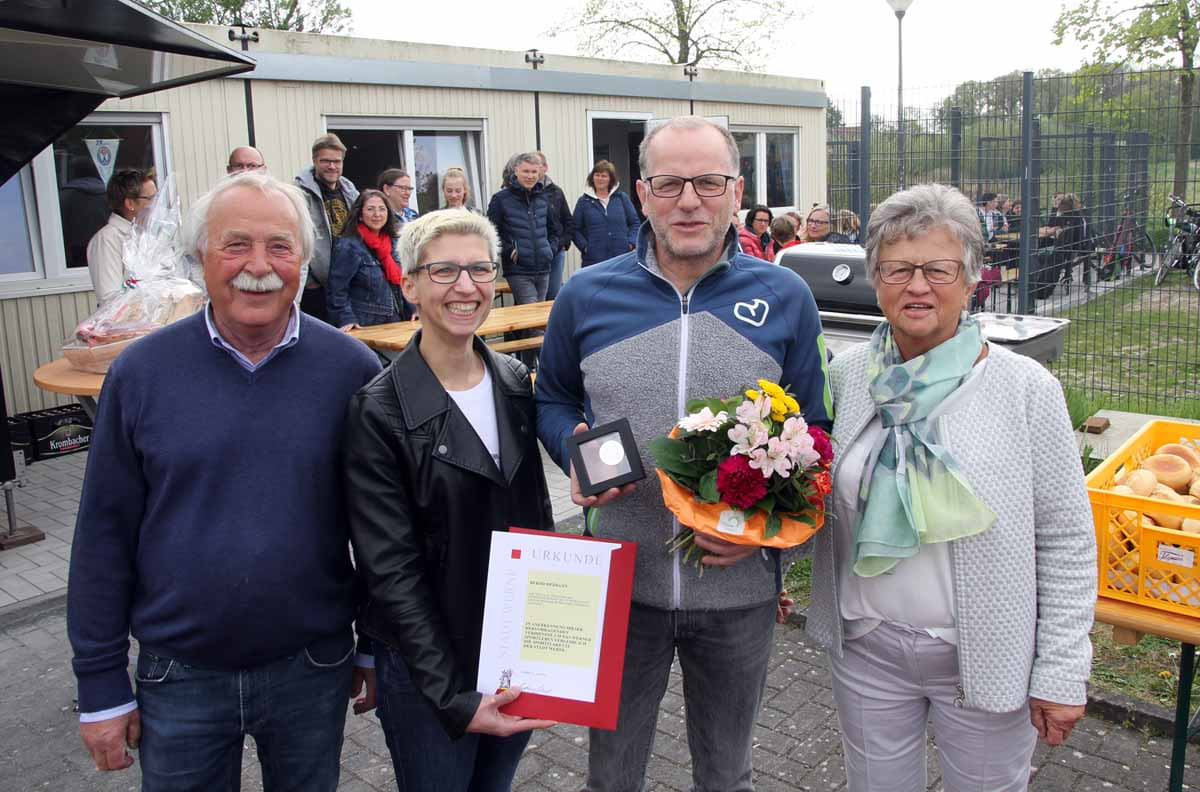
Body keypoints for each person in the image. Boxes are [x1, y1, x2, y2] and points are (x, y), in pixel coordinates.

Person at [536, 116, 832, 792]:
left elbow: (816, 432)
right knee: (611, 777)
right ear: (642, 193)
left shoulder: (785, 296)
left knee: (726, 775)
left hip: (736, 594)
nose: (690, 200)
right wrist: (570, 447)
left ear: (737, 190)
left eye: (708, 181)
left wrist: (767, 537)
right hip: (618, 587)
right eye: (670, 183)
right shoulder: (586, 294)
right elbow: (550, 399)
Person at [66, 171, 382, 789]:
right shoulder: (140, 374)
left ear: (305, 262)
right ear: (200, 258)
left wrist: (371, 640)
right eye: (235, 244)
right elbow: (103, 533)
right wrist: (100, 683)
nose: (258, 266)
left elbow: (377, 528)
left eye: (281, 246)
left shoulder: (351, 370)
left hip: (313, 668)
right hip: (178, 675)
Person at [804, 183, 1096, 792]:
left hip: (986, 656)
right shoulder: (849, 375)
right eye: (898, 268)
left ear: (971, 279)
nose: (917, 286)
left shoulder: (1025, 390)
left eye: (938, 269)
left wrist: (1063, 670)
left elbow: (1066, 539)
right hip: (867, 649)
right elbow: (818, 499)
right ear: (874, 277)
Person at [343, 208, 556, 790]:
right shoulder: (378, 409)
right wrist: (453, 697)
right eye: (443, 272)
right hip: (430, 670)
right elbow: (390, 568)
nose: (466, 287)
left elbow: (533, 519)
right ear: (408, 283)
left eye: (479, 270)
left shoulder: (513, 379)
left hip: (509, 653)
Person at [296, 133, 359, 323]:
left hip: (347, 286)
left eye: (337, 161)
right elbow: (295, 240)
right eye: (326, 161)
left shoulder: (351, 192)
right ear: (315, 160)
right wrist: (309, 282)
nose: (332, 166)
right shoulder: (299, 194)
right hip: (316, 289)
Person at [487, 152, 559, 306]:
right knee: (532, 314)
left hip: (543, 268)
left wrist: (549, 250)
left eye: (534, 172)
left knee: (535, 319)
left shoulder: (543, 197)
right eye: (526, 171)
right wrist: (510, 251)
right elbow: (490, 233)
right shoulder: (500, 199)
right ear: (516, 171)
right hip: (518, 270)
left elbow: (554, 230)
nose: (530, 176)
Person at [326, 189, 406, 328]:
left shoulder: (394, 243)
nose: (377, 214)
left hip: (396, 320)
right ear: (360, 215)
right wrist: (346, 319)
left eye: (382, 209)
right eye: (370, 209)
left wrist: (415, 309)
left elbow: (405, 282)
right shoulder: (348, 245)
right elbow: (337, 289)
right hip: (364, 324)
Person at [86, 168, 157, 305]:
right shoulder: (107, 239)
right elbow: (110, 298)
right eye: (151, 199)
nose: (157, 204)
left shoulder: (147, 235)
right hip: (131, 323)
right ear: (130, 203)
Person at [572, 159, 639, 267]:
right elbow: (575, 229)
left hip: (621, 259)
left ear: (610, 179)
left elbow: (634, 223)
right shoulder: (583, 201)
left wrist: (631, 243)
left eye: (604, 176)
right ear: (592, 177)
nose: (600, 179)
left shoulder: (622, 198)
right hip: (594, 261)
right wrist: (585, 247)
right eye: (597, 175)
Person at [535, 151, 574, 299]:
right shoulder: (524, 193)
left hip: (556, 251)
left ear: (545, 167)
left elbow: (568, 220)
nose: (535, 170)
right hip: (535, 253)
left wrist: (564, 243)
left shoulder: (556, 192)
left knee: (554, 295)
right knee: (535, 300)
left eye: (538, 166)